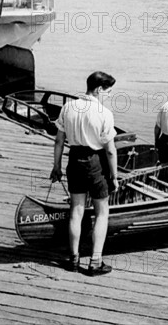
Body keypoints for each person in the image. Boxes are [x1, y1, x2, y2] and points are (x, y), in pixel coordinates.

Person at [50, 71, 119, 276]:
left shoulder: (68, 107)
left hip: (74, 160)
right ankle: (95, 262)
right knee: (101, 212)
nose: (107, 95)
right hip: (95, 162)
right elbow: (110, 150)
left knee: (76, 210)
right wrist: (114, 176)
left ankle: (73, 259)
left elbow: (59, 141)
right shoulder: (104, 113)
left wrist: (56, 167)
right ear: (99, 89)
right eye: (107, 91)